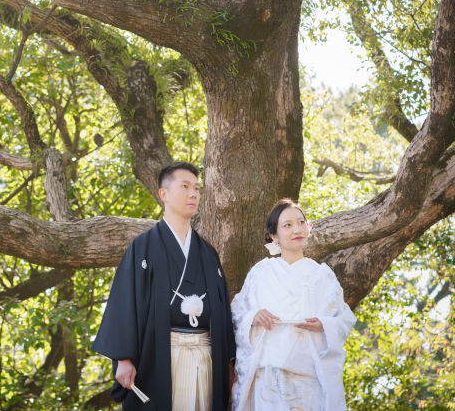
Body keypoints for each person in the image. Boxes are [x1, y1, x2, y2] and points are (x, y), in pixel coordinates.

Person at [92, 162, 237, 410]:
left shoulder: (207, 252)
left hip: (206, 357)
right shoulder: (143, 247)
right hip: (160, 357)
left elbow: (222, 310)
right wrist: (123, 359)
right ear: (164, 194)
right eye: (185, 186)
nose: (193, 194)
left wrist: (229, 363)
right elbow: (124, 304)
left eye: (197, 189)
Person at [231, 199, 356, 411]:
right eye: (287, 225)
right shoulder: (260, 273)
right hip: (266, 378)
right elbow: (236, 312)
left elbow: (345, 319)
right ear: (274, 235)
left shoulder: (323, 275)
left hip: (308, 380)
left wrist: (324, 324)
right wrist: (252, 317)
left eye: (301, 222)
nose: (297, 229)